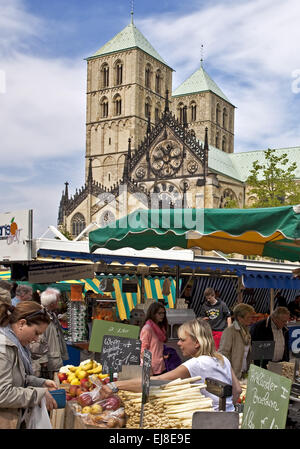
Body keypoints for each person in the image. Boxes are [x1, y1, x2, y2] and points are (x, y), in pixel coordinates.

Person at [100, 318, 242, 411]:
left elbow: (153, 382)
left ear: (197, 343)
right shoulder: (222, 358)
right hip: (228, 418)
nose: (178, 344)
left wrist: (116, 385)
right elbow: (237, 390)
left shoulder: (195, 364)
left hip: (208, 421)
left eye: (182, 340)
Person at [0, 301, 58, 429]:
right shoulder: (3, 348)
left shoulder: (15, 345)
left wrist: (39, 382)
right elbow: (2, 394)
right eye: (36, 333)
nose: (36, 339)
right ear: (22, 323)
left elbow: (15, 376)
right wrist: (38, 394)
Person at [218, 303, 255, 380]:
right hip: (232, 375)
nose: (251, 319)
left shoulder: (246, 331)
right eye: (248, 317)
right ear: (239, 318)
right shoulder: (230, 331)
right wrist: (228, 373)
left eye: (251, 317)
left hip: (243, 373)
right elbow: (223, 354)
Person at [40, 288, 69, 378]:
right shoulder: (42, 317)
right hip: (50, 359)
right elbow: (39, 339)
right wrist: (43, 359)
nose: (59, 302)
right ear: (52, 303)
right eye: (58, 300)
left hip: (55, 357)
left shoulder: (52, 315)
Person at [139, 302, 168, 375]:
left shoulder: (161, 328)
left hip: (161, 366)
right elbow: (143, 350)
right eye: (159, 313)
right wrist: (149, 369)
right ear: (153, 314)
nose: (162, 316)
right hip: (151, 369)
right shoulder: (147, 329)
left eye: (163, 313)